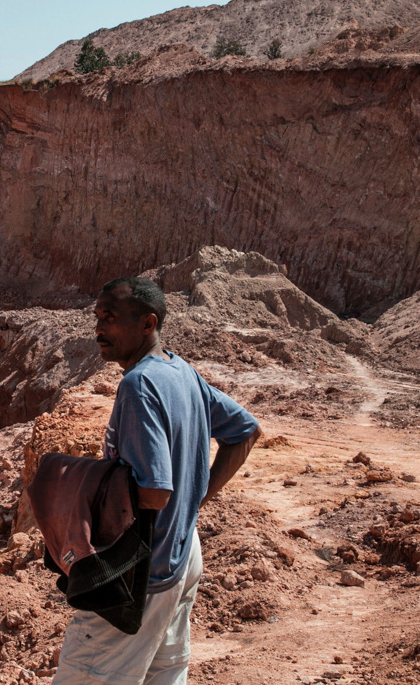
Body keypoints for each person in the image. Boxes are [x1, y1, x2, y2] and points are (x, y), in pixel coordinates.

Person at [53, 277, 262, 685]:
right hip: (183, 555)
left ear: (148, 324)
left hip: (142, 569)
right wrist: (195, 503)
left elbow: (154, 490)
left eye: (110, 318)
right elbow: (245, 432)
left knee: (88, 673)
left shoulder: (139, 385)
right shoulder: (181, 371)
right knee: (164, 674)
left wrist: (84, 487)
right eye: (97, 317)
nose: (98, 329)